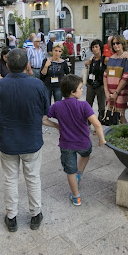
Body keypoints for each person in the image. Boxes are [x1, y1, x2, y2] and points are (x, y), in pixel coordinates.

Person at [0, 48, 48, 232]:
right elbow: (46, 111)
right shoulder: (37, 85)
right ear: (27, 65)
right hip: (32, 141)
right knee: (33, 178)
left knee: (10, 179)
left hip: (8, 142)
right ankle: (35, 214)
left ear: (7, 65)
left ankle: (11, 216)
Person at [43, 74, 106, 206]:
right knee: (85, 154)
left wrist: (56, 126)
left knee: (70, 171)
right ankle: (80, 174)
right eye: (80, 88)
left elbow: (43, 119)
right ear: (73, 92)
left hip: (66, 145)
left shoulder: (57, 106)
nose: (82, 90)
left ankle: (76, 196)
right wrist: (101, 140)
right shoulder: (84, 106)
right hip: (83, 143)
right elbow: (97, 125)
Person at [104, 35, 128, 124]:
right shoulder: (111, 58)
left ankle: (126, 134)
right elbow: (105, 75)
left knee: (121, 116)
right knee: (113, 117)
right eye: (113, 43)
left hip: (121, 92)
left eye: (118, 43)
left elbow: (126, 77)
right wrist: (106, 92)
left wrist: (116, 92)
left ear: (122, 43)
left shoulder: (127, 58)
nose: (115, 45)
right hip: (110, 92)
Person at [83, 39, 106, 121]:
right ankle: (87, 123)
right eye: (93, 47)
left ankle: (99, 122)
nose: (94, 49)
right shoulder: (91, 59)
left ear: (100, 48)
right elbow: (86, 67)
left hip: (100, 85)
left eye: (96, 47)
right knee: (88, 104)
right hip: (90, 84)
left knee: (101, 105)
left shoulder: (104, 59)